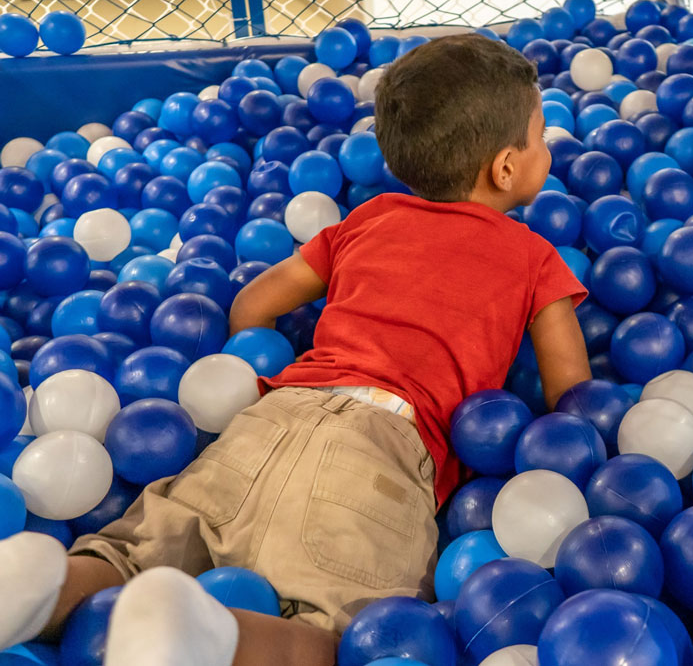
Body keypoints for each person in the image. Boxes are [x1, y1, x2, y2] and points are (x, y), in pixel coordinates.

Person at [0, 33, 590, 666]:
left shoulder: (370, 217)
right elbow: (570, 394)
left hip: (273, 418)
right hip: (385, 452)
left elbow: (253, 305)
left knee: (136, 547)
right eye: (544, 139)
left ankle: (47, 586)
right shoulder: (534, 258)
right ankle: (210, 638)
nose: (550, 151)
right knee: (343, 635)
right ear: (506, 166)